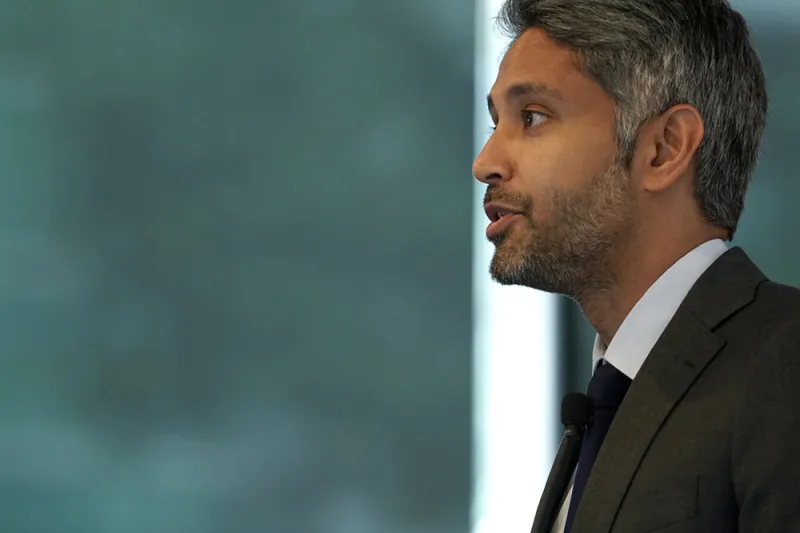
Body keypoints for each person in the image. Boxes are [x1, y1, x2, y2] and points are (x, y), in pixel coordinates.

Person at [472, 1, 800, 532]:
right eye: (496, 122)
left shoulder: (785, 361)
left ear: (664, 149)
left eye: (532, 116)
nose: (485, 162)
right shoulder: (606, 401)